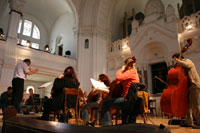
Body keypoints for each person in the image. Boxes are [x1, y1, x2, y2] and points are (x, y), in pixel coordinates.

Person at [99, 57, 139, 126]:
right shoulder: (135, 73)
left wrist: (122, 69)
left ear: (127, 65)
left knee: (105, 103)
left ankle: (106, 124)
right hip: (131, 99)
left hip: (126, 100)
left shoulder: (130, 72)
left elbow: (118, 77)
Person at [173, 53, 200, 129]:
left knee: (195, 105)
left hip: (194, 85)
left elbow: (187, 65)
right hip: (188, 87)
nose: (175, 61)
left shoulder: (188, 61)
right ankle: (189, 122)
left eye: (175, 59)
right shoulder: (182, 66)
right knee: (187, 106)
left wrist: (178, 61)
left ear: (179, 58)